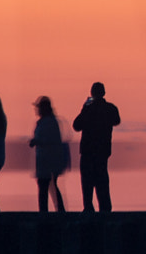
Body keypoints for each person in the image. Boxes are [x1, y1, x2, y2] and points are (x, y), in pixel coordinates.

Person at [72, 82, 121, 213]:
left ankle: (89, 208)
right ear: (103, 93)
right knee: (102, 182)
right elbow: (117, 120)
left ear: (92, 94)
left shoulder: (89, 109)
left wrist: (85, 108)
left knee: (87, 183)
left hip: (88, 151)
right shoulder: (110, 108)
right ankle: (105, 209)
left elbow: (76, 125)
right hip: (102, 151)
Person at [31, 96, 69, 213]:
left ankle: (45, 212)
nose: (36, 110)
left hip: (48, 161)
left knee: (44, 186)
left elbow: (50, 141)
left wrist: (36, 141)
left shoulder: (48, 122)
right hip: (47, 161)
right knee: (50, 186)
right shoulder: (48, 122)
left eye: (38, 107)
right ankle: (57, 210)